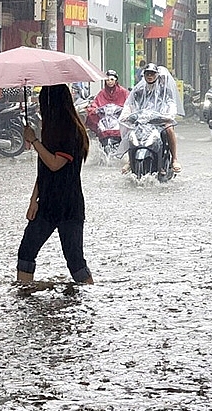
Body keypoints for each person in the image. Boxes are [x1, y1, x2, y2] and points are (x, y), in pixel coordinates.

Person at [18, 84, 93, 285]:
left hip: (68, 205)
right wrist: (33, 200)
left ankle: (90, 296)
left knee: (75, 261)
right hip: (48, 203)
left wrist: (34, 141)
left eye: (43, 104)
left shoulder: (70, 132)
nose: (40, 109)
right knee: (26, 251)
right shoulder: (51, 131)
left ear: (53, 105)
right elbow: (43, 170)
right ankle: (24, 298)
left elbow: (53, 164)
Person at [119, 63, 183, 173]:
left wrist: (169, 115)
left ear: (157, 75)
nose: (150, 76)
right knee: (131, 132)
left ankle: (174, 159)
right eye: (147, 74)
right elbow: (130, 105)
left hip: (159, 121)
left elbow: (171, 104)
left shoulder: (164, 91)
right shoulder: (138, 91)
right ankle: (130, 161)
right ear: (144, 75)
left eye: (152, 74)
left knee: (169, 129)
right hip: (143, 121)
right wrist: (126, 115)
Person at [86, 69, 129, 134]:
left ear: (116, 80)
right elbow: (95, 104)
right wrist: (94, 110)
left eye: (112, 79)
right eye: (107, 80)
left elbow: (129, 104)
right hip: (104, 124)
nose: (110, 82)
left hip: (119, 123)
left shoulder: (123, 92)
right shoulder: (102, 93)